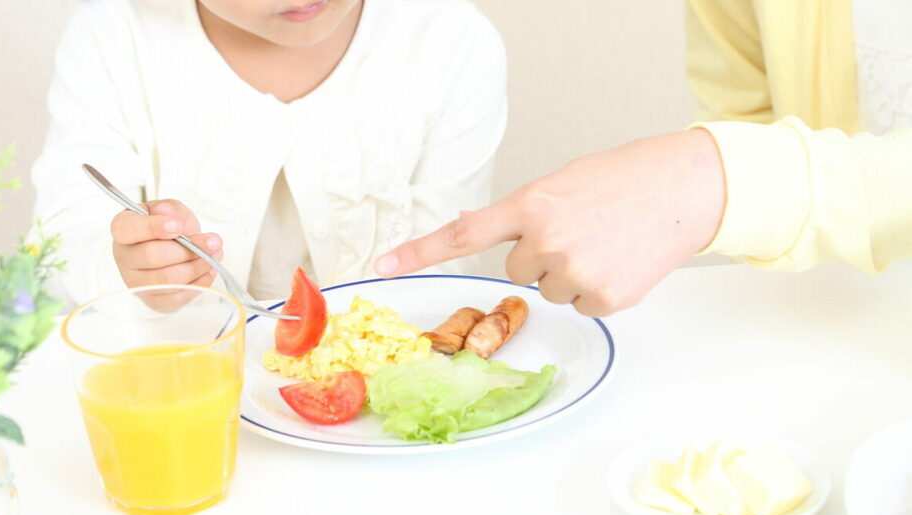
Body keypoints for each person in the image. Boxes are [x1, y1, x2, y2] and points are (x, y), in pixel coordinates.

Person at [374, 0, 912, 317]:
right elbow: (748, 111)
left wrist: (714, 179)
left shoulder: (442, 43)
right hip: (823, 325)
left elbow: (744, 171)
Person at [33, 0, 506, 306]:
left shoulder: (449, 38)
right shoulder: (115, 32)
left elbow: (446, 266)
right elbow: (63, 243)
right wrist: (130, 270)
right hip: (183, 395)